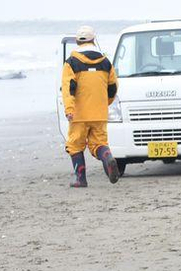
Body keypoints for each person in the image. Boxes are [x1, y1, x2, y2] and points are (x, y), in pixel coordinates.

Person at [61, 25, 120, 188]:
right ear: (94, 40)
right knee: (99, 143)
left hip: (79, 114)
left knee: (75, 144)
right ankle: (107, 157)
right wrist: (105, 103)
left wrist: (69, 109)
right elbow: (113, 87)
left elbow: (68, 88)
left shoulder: (71, 62)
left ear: (77, 42)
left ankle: (81, 178)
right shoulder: (105, 62)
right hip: (99, 112)